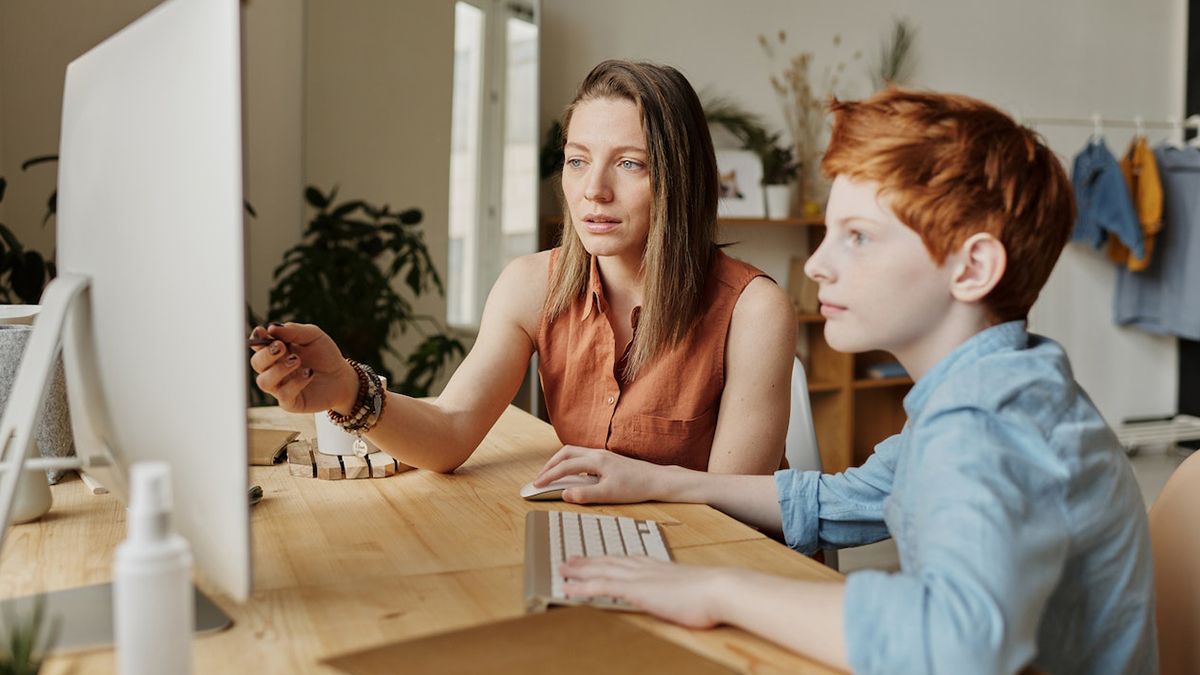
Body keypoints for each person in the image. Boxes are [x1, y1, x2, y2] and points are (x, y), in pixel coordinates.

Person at [533, 89, 1157, 674]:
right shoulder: (998, 386)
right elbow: (843, 501)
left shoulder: (986, 423)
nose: (817, 264)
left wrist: (719, 588)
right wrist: (661, 481)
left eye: (857, 237)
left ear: (972, 268)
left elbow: (957, 643)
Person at [249, 59, 795, 475]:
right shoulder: (531, 284)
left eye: (630, 164)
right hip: (605, 547)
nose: (593, 191)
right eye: (577, 160)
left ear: (682, 179)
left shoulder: (754, 310)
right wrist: (347, 388)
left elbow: (734, 511)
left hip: (716, 566)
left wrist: (628, 487)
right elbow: (450, 431)